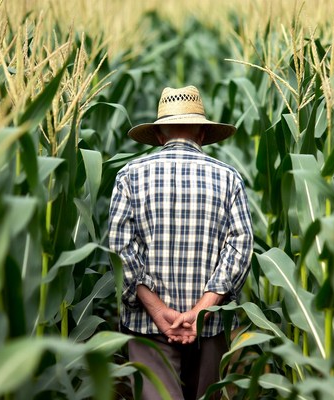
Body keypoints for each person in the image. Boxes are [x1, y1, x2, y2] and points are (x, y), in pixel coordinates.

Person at [108, 85, 253, 400]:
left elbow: (121, 252)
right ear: (202, 133)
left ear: (160, 135)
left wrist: (159, 312)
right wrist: (201, 311)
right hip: (210, 327)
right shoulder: (229, 179)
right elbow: (240, 247)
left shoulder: (129, 177)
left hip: (146, 328)